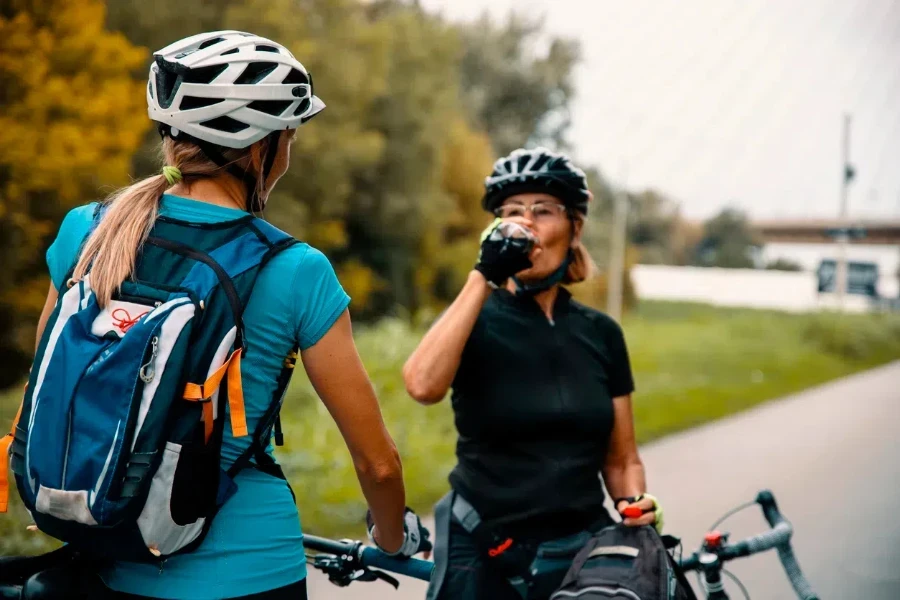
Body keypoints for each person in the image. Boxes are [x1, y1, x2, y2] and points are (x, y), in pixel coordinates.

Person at [17, 30, 429, 599]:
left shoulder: (85, 230)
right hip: (246, 570)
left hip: (103, 554)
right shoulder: (296, 270)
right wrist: (390, 538)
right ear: (262, 147)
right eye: (290, 135)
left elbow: (45, 388)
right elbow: (377, 465)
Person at [403, 147, 663, 599]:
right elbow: (422, 385)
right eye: (512, 213)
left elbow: (622, 460)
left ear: (575, 227)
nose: (525, 224)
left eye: (542, 211)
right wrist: (484, 272)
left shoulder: (601, 334)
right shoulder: (474, 318)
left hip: (581, 545)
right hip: (482, 541)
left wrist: (632, 501)